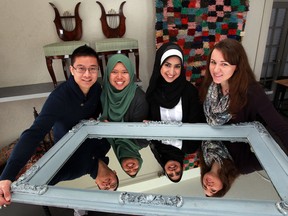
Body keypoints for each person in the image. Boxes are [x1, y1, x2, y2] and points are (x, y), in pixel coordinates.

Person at [0, 45, 118, 208]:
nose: (87, 74)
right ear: (71, 69)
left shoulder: (75, 170)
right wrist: (7, 176)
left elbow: (43, 179)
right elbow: (34, 133)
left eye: (92, 69)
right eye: (81, 68)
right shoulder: (59, 98)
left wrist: (11, 183)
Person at [199, 38, 288, 197]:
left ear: (237, 67)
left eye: (224, 64)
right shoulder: (209, 86)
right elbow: (269, 158)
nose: (216, 69)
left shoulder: (251, 92)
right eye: (213, 62)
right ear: (225, 185)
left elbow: (279, 126)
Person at [146, 42, 204, 182]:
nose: (172, 72)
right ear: (159, 65)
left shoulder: (190, 92)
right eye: (167, 65)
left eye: (177, 66)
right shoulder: (153, 92)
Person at [100, 54, 149, 178]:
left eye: (124, 72)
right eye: (114, 72)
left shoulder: (107, 143)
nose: (119, 77)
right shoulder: (142, 140)